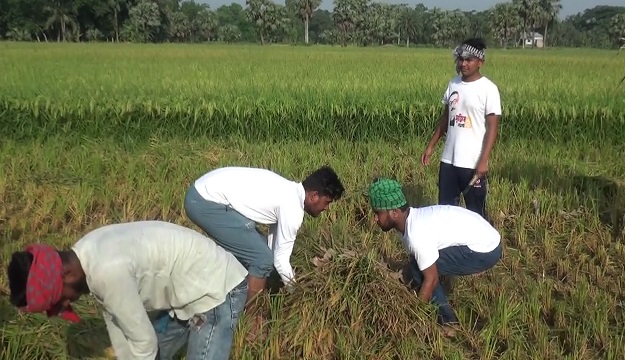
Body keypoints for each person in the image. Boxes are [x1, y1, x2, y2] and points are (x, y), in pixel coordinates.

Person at [7, 221, 249, 360]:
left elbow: (144, 344)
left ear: (67, 275)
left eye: (61, 299)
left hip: (215, 289)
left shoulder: (106, 272)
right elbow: (117, 321)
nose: (66, 304)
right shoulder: (85, 253)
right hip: (185, 291)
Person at [183, 165, 345, 337]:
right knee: (261, 259)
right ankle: (252, 325)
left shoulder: (289, 191)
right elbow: (279, 260)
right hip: (204, 202)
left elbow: (275, 251)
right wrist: (298, 292)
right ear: (314, 196)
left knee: (262, 252)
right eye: (327, 202)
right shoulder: (292, 209)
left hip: (204, 194)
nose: (326, 208)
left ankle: (239, 297)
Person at [367, 177, 502, 334]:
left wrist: (414, 315)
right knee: (418, 265)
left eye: (378, 213)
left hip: (486, 249)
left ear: (395, 213)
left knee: (420, 272)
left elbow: (431, 279)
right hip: (486, 238)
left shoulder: (416, 234)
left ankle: (448, 322)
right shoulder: (411, 220)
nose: (375, 218)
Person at [421, 37, 502, 220]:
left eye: (469, 60)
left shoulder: (488, 89)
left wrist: (484, 161)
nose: (463, 64)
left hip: (472, 162)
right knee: (446, 212)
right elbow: (446, 118)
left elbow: (492, 128)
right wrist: (431, 145)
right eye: (461, 59)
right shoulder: (453, 84)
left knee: (476, 214)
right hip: (449, 161)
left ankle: (482, 247)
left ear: (480, 62)